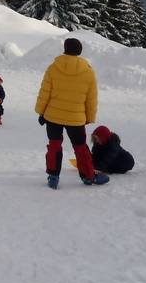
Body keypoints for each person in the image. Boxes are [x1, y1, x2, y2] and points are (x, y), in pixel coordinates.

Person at [35, 38, 109, 188]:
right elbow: (91, 99)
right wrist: (89, 117)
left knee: (54, 146)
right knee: (81, 148)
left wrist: (41, 111)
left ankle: (53, 177)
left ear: (65, 49)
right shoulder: (88, 72)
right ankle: (88, 176)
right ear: (79, 51)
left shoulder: (53, 68)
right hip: (76, 118)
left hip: (53, 116)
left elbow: (44, 92)